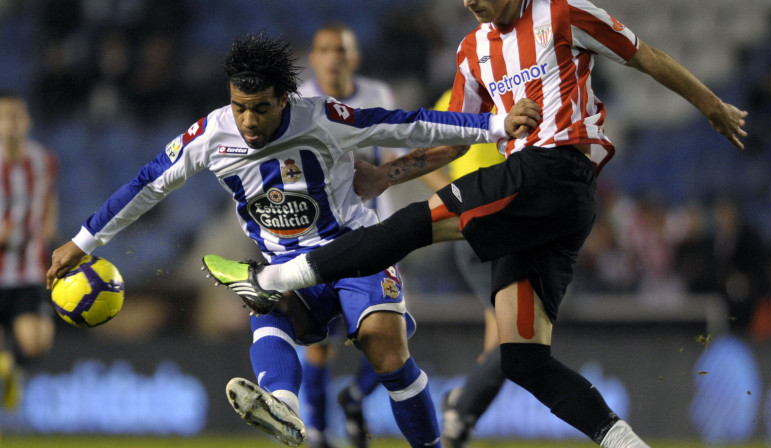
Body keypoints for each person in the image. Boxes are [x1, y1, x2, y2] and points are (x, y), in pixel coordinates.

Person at [204, 1, 748, 447]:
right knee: (523, 358)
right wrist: (387, 175)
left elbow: (644, 55)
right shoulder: (472, 50)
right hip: (539, 212)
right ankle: (624, 442)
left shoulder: (562, 13)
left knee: (411, 227)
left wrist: (711, 105)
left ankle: (272, 279)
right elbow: (455, 135)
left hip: (554, 169)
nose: (469, 3)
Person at [45, 33, 540, 447]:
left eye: (260, 108)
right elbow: (147, 184)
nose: (248, 121)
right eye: (239, 107)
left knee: (386, 350)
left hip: (355, 250)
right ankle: (283, 408)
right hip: (286, 266)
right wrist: (83, 242)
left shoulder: (322, 119)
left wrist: (497, 125)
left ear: (285, 98)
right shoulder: (211, 135)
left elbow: (407, 125)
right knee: (265, 297)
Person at [296, 24, 400, 448]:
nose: (333, 57)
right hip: (321, 241)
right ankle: (319, 434)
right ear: (313, 58)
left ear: (354, 58)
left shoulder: (377, 95)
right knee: (319, 344)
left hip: (374, 238)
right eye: (324, 49)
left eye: (341, 49)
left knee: (389, 336)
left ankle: (353, 398)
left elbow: (392, 160)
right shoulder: (298, 102)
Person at [424, 89, 507, 448]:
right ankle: (460, 412)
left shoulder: (516, 89)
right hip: (477, 230)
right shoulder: (452, 100)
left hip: (515, 225)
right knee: (515, 336)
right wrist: (460, 199)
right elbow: (423, 156)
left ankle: (462, 406)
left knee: (501, 341)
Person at [0, 91, 58, 410]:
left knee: (36, 343)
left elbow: (49, 195)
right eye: (5, 116)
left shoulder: (43, 160)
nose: (12, 123)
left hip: (29, 271)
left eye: (17, 116)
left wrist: (50, 223)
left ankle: (12, 367)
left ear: (28, 121)